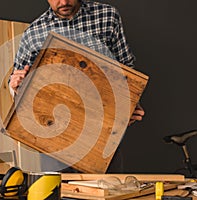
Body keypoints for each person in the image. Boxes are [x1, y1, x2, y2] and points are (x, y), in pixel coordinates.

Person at [9, 0, 145, 171]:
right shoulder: (33, 34)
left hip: (101, 135)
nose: (64, 2)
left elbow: (125, 68)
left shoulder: (107, 16)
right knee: (60, 194)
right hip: (54, 136)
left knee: (108, 194)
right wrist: (16, 84)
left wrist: (130, 102)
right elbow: (15, 82)